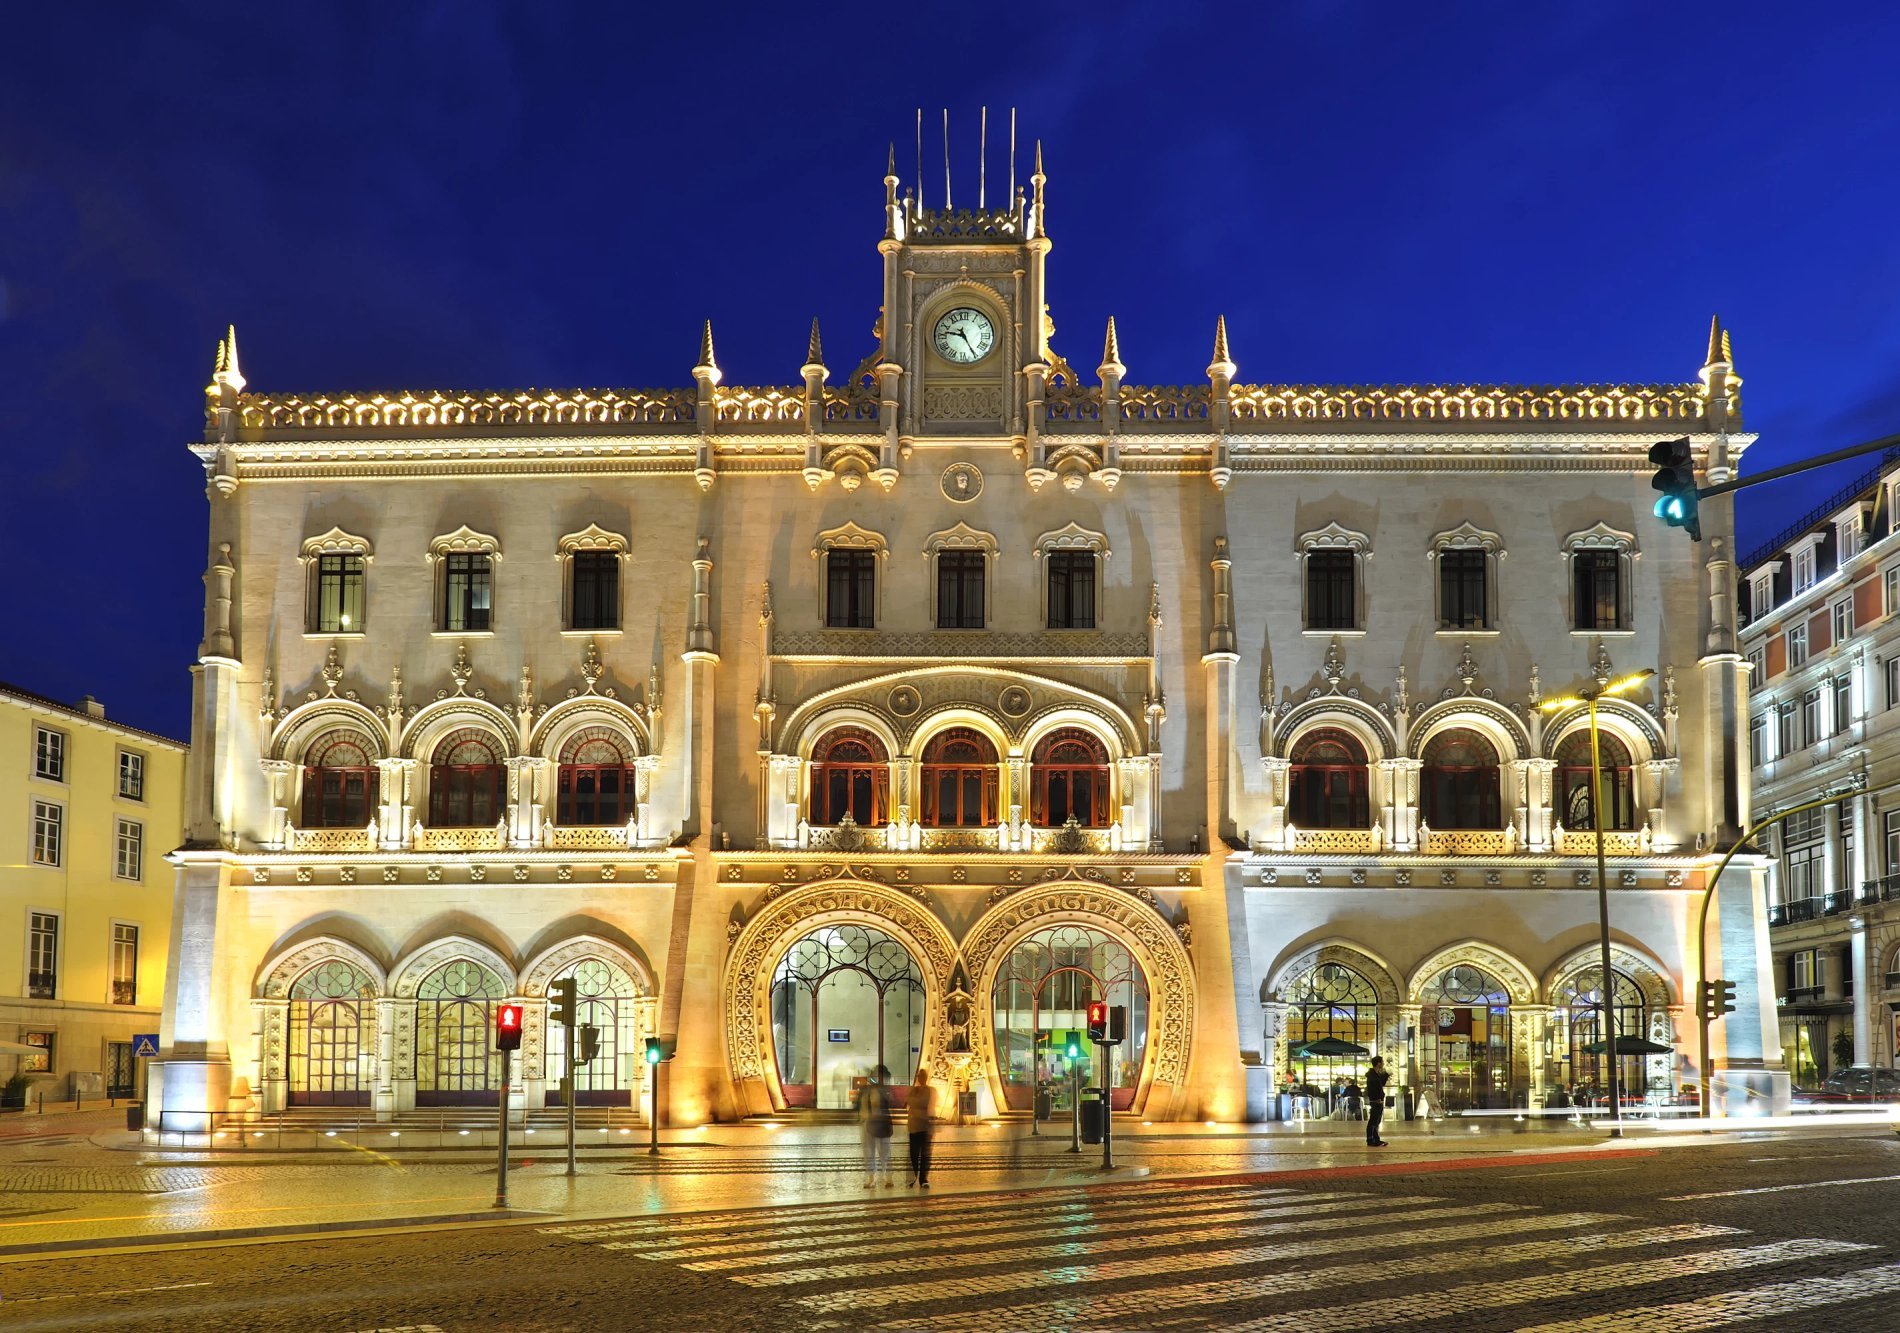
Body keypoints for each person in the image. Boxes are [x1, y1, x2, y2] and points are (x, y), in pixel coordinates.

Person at [857, 1064, 894, 1187]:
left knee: (884, 1151)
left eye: (876, 1074)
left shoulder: (883, 1090)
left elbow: (887, 1103)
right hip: (866, 1123)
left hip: (880, 1123)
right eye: (873, 1074)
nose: (873, 1077)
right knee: (868, 1152)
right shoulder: (864, 1090)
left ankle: (888, 1177)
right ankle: (871, 1178)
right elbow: (860, 1106)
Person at [906, 1067, 936, 1187]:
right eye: (919, 1076)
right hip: (913, 1127)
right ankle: (914, 1177)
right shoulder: (913, 1090)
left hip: (925, 1127)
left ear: (926, 1078)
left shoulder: (930, 1090)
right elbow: (909, 1101)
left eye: (923, 1076)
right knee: (913, 1154)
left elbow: (923, 1102)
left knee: (924, 1155)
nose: (921, 1078)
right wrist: (918, 1103)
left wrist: (915, 1103)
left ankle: (923, 1179)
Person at [1364, 1055, 1390, 1147]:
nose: (1383, 1064)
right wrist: (1376, 1098)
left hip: (1379, 1100)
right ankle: (1370, 1139)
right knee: (1373, 1121)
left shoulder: (1376, 1074)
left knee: (1377, 1121)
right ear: (1378, 1063)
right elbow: (1373, 1088)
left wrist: (1385, 1075)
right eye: (1382, 1062)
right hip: (1375, 1101)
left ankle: (1376, 1139)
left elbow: (1381, 1084)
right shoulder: (1372, 1075)